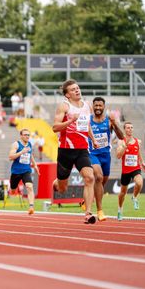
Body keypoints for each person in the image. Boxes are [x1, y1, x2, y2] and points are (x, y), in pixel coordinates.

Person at [52, 79, 99, 224]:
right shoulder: (64, 106)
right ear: (67, 95)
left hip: (82, 150)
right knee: (62, 188)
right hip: (66, 150)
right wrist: (70, 121)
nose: (77, 90)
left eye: (77, 88)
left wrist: (93, 139)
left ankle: (88, 213)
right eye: (73, 89)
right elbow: (55, 128)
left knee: (90, 178)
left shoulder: (87, 106)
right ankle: (56, 183)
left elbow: (87, 125)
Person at [88, 97, 124, 221]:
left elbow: (121, 136)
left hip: (105, 156)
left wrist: (115, 124)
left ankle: (88, 197)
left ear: (104, 107)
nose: (98, 108)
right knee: (98, 177)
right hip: (92, 154)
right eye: (96, 105)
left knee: (102, 182)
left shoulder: (109, 121)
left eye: (100, 105)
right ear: (93, 107)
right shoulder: (88, 120)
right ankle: (100, 211)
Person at [115, 122, 145, 221]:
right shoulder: (121, 141)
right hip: (125, 171)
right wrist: (124, 147)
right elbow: (118, 156)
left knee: (139, 183)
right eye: (128, 128)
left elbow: (138, 152)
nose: (130, 129)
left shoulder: (138, 141)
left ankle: (134, 197)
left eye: (131, 127)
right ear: (124, 129)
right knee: (122, 193)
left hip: (135, 168)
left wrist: (142, 162)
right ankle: (120, 210)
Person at [8, 129, 40, 215]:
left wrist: (35, 165)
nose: (27, 136)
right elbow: (10, 157)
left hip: (26, 170)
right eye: (25, 135)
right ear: (21, 136)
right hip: (16, 171)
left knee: (29, 186)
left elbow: (30, 155)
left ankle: (31, 207)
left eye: (28, 135)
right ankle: (14, 187)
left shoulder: (29, 144)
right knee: (13, 191)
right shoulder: (16, 144)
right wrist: (21, 152)